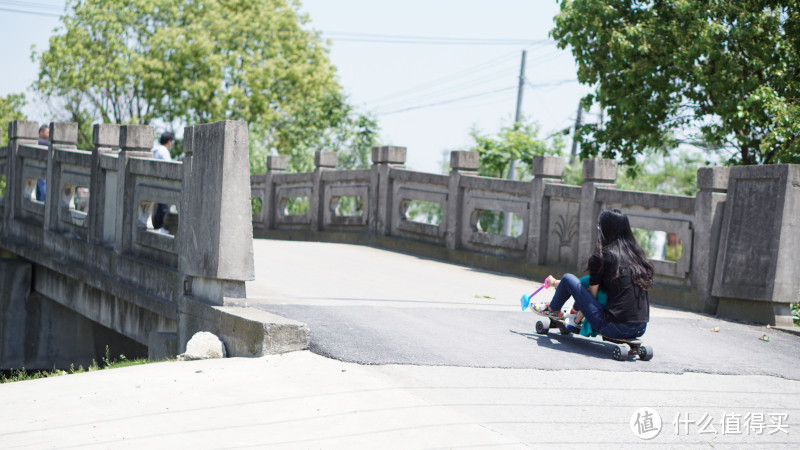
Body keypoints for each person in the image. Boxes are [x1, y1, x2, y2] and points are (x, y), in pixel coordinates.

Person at [534, 208, 654, 340]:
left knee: (568, 278)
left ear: (604, 230)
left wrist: (576, 320)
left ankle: (553, 309)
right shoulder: (638, 256)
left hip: (614, 327)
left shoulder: (602, 257)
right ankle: (559, 309)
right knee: (582, 283)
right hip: (640, 328)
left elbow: (591, 295)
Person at [150, 132, 174, 233]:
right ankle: (160, 228)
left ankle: (156, 227)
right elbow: (170, 169)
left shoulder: (154, 150)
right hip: (161, 185)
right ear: (169, 142)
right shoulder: (164, 151)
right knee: (163, 207)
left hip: (151, 183)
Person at [35, 124, 49, 201]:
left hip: (42, 167)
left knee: (38, 189)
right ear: (41, 132)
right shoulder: (39, 141)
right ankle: (46, 203)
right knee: (43, 187)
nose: (49, 134)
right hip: (40, 167)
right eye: (47, 132)